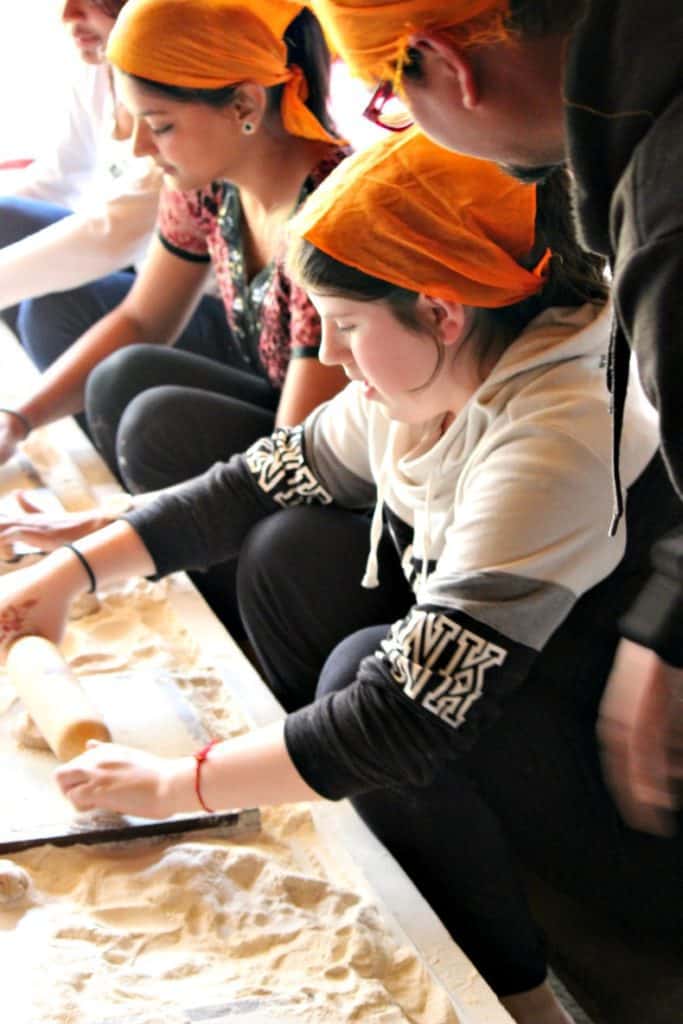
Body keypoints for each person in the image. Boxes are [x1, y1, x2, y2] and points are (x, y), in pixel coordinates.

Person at [0, 130, 670, 1024]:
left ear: (441, 311)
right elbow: (250, 484)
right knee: (290, 554)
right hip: (549, 704)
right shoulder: (454, 366)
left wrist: (175, 785)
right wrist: (70, 573)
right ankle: (348, 813)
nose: (335, 359)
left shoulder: (555, 432)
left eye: (347, 327)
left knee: (367, 677)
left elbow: (403, 716)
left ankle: (519, 998)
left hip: (642, 813)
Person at [309, 0, 683, 841]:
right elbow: (288, 460)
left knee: (369, 687)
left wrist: (664, 632)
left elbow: (407, 710)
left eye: (390, 100)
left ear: (448, 64)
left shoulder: (664, 211)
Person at [2, 0, 348, 492]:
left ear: (245, 105)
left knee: (157, 420)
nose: (141, 146)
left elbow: (296, 456)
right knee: (120, 373)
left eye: (159, 125)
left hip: (331, 467)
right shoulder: (206, 181)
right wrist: (17, 419)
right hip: (275, 398)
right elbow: (143, 318)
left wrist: (115, 530)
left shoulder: (331, 224)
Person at [0, 0, 168, 385]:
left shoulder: (182, 89)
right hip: (134, 258)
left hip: (186, 289)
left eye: (90, 1)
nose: (68, 17)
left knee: (53, 307)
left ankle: (41, 420)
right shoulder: (97, 70)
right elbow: (57, 179)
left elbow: (114, 233)